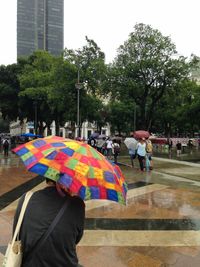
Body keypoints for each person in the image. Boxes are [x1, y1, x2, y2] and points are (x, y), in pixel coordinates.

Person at [13, 178, 85, 267]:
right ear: (65, 181)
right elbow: (76, 238)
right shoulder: (76, 204)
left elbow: (16, 236)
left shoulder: (26, 199)